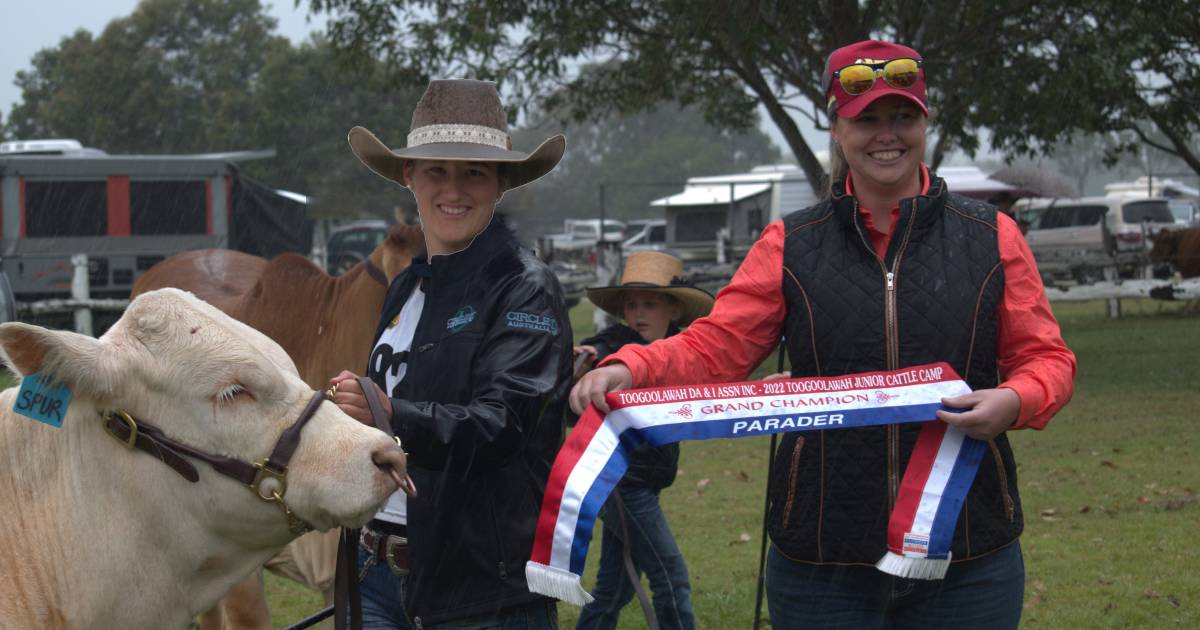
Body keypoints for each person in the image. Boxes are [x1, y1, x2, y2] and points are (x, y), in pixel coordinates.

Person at [571, 40, 1076, 629]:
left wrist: (1016, 399)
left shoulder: (994, 236)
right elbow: (713, 349)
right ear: (837, 128)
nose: (886, 134)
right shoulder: (790, 244)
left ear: (924, 123)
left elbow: (1047, 358)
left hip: (970, 550)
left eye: (902, 117)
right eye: (866, 120)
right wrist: (630, 367)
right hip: (821, 557)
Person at [329, 79, 573, 629]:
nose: (453, 189)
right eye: (436, 170)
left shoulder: (524, 286)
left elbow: (502, 425)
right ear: (409, 178)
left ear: (501, 183)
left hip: (481, 591)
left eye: (474, 172)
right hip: (373, 572)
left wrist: (390, 414)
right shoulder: (406, 289)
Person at [572, 252, 714, 630]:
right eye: (631, 304)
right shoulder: (618, 343)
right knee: (671, 575)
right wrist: (589, 358)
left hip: (645, 484)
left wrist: (757, 392)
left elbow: (712, 381)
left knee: (613, 590)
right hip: (621, 484)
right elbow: (600, 347)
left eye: (649, 303)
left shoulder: (679, 352)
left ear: (673, 308)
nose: (638, 313)